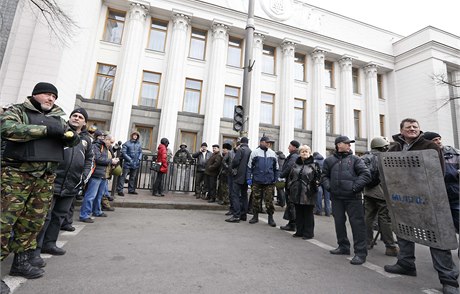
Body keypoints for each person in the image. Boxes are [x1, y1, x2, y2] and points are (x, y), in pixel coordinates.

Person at [0, 82, 79, 287]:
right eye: (47, 94)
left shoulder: (57, 118)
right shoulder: (18, 110)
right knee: (4, 222)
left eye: (54, 96)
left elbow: (71, 138)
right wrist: (45, 130)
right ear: (35, 95)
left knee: (32, 223)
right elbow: (8, 129)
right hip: (17, 176)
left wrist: (70, 137)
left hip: (44, 178)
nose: (51, 99)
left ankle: (21, 262)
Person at [384, 119, 459, 294]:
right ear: (401, 130)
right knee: (403, 230)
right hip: (402, 197)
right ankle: (406, 263)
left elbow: (437, 172)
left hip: (428, 198)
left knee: (437, 238)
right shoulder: (394, 148)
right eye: (408, 127)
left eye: (415, 127)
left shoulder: (430, 147)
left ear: (419, 129)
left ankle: (449, 280)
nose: (412, 129)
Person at [32, 108, 93, 267]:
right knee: (44, 216)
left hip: (72, 184)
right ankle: (34, 250)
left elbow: (89, 160)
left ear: (84, 122)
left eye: (80, 117)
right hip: (53, 181)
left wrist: (83, 178)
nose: (77, 118)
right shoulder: (61, 130)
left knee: (59, 216)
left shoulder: (87, 140)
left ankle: (49, 244)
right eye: (74, 116)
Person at [322, 135, 371, 265]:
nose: (349, 145)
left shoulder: (356, 160)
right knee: (339, 222)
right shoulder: (329, 161)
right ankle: (343, 246)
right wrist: (329, 187)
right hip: (336, 197)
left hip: (353, 198)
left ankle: (360, 253)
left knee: (357, 225)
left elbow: (365, 174)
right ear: (338, 145)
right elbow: (324, 176)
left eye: (350, 143)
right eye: (346, 143)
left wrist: (355, 188)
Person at [361, 137, 399, 256]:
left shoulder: (363, 158)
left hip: (368, 192)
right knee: (385, 219)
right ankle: (390, 246)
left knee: (368, 218)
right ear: (383, 147)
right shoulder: (385, 158)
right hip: (382, 193)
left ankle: (367, 242)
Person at [423, 131, 459, 234]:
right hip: (436, 198)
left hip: (455, 194)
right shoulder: (425, 155)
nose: (438, 142)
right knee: (443, 230)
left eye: (439, 139)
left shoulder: (453, 152)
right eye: (435, 140)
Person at [79, 131, 119, 222]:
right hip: (96, 174)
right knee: (91, 195)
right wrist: (111, 161)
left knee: (99, 195)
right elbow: (97, 159)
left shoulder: (105, 147)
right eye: (111, 142)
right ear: (106, 139)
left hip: (103, 174)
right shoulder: (96, 146)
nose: (111, 144)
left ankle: (97, 211)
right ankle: (84, 215)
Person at [287, 145, 321, 240]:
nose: (304, 153)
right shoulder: (295, 164)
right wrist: (290, 186)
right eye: (302, 151)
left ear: (310, 153)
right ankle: (299, 231)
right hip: (296, 192)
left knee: (308, 214)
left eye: (306, 151)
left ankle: (308, 233)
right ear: (299, 153)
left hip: (308, 193)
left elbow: (319, 178)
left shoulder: (314, 165)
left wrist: (315, 187)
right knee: (298, 212)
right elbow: (290, 176)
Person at [247, 136, 279, 227]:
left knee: (269, 200)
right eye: (266, 142)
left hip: (269, 182)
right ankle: (255, 217)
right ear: (261, 142)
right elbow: (249, 167)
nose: (268, 144)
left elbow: (276, 168)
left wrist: (275, 179)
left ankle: (270, 218)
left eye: (269, 142)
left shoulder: (273, 153)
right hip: (257, 181)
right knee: (255, 200)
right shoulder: (255, 152)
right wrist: (248, 178)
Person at [226, 137, 251, 223]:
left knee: (235, 195)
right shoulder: (250, 151)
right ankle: (243, 215)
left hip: (238, 176)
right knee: (244, 196)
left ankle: (236, 215)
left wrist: (231, 167)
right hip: (245, 177)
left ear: (241, 142)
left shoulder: (241, 150)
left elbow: (235, 161)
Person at [279, 140, 300, 231]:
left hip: (291, 183)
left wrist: (281, 175)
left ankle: (293, 224)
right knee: (291, 204)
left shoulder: (294, 156)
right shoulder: (293, 156)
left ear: (294, 147)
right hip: (291, 182)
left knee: (291, 204)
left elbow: (289, 167)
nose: (288, 148)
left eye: (290, 146)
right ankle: (292, 223)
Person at [117, 131, 142, 196]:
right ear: (132, 136)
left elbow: (140, 152)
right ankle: (120, 190)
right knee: (123, 177)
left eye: (136, 135)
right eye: (134, 135)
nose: (135, 136)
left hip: (136, 163)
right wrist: (130, 160)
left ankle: (131, 190)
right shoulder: (126, 144)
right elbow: (124, 153)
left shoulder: (139, 144)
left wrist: (139, 159)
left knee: (132, 177)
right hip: (128, 163)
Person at [313, 151, 331, 217]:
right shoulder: (325, 161)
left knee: (319, 196)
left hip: (318, 181)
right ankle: (328, 212)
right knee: (327, 197)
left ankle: (319, 211)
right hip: (326, 180)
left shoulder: (314, 162)